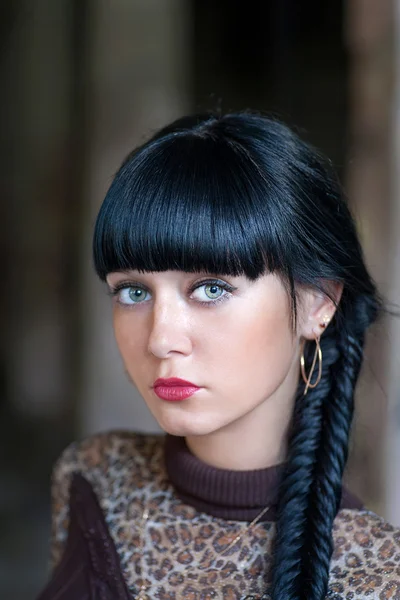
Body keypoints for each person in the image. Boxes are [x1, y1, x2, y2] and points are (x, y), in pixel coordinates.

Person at [37, 112, 400, 600]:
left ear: (319, 304)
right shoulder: (95, 477)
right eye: (133, 292)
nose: (161, 339)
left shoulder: (376, 573)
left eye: (210, 288)